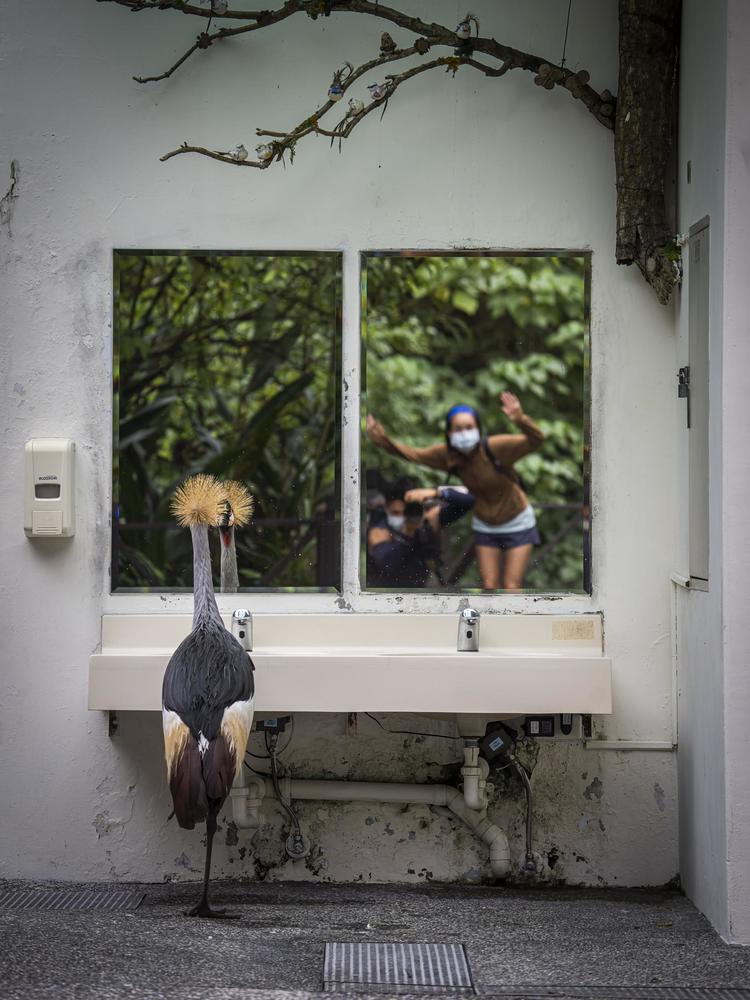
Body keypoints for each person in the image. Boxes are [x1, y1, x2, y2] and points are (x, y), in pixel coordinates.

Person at [366, 392, 544, 591]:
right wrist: (382, 440)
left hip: (517, 519)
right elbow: (414, 454)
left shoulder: (495, 448)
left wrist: (521, 419)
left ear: (478, 429)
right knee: (489, 586)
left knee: (511, 586)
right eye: (458, 429)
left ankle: (513, 623)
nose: (464, 433)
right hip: (485, 524)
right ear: (449, 433)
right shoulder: (448, 455)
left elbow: (536, 440)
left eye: (469, 428)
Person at [367, 481, 474, 588]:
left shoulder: (428, 521)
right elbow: (386, 563)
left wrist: (438, 493)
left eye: (408, 512)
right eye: (396, 512)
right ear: (386, 509)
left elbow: (471, 501)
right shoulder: (379, 530)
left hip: (419, 590)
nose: (404, 517)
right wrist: (408, 535)